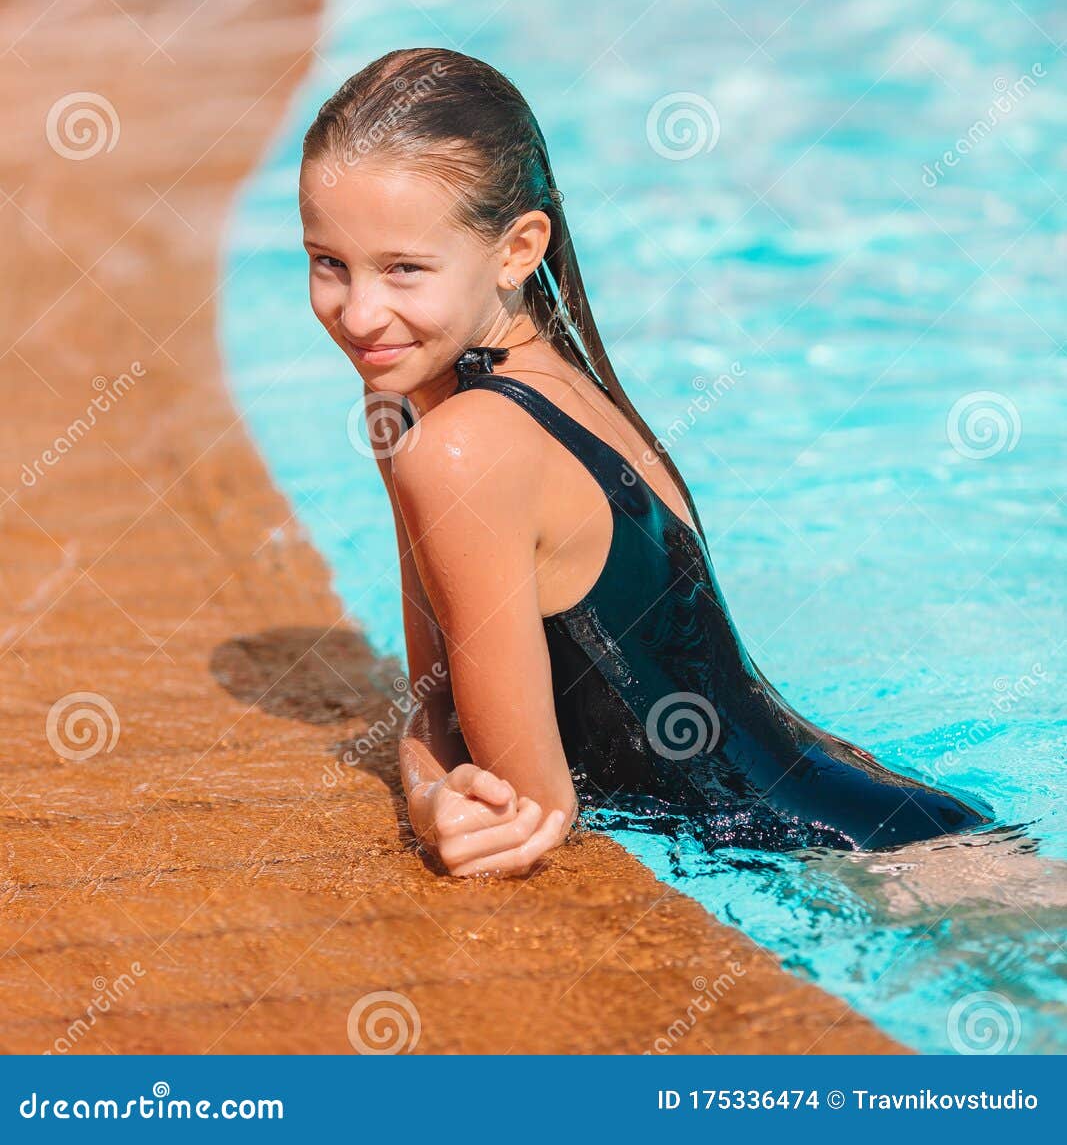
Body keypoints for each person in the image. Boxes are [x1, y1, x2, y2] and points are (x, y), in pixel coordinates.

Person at [299, 47, 995, 880]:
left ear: (518, 250)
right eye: (328, 262)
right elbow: (438, 706)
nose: (360, 313)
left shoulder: (461, 446)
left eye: (404, 268)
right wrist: (428, 784)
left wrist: (426, 800)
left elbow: (526, 809)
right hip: (866, 808)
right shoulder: (496, 388)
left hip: (868, 866)